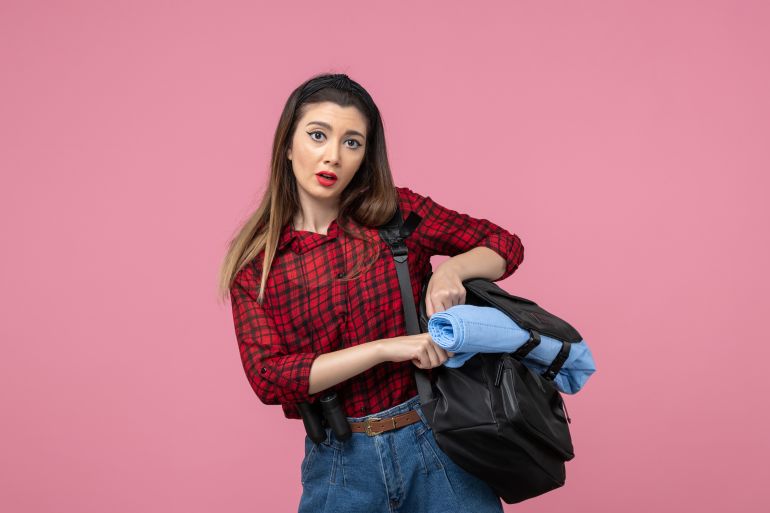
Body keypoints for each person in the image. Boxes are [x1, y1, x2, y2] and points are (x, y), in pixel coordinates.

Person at [218, 73, 524, 513]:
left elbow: (504, 246)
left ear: (366, 155)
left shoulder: (396, 217)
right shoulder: (258, 263)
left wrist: (451, 271)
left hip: (437, 445)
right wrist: (383, 349)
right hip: (340, 464)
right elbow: (269, 377)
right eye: (318, 135)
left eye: (352, 142)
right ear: (288, 144)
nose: (333, 156)